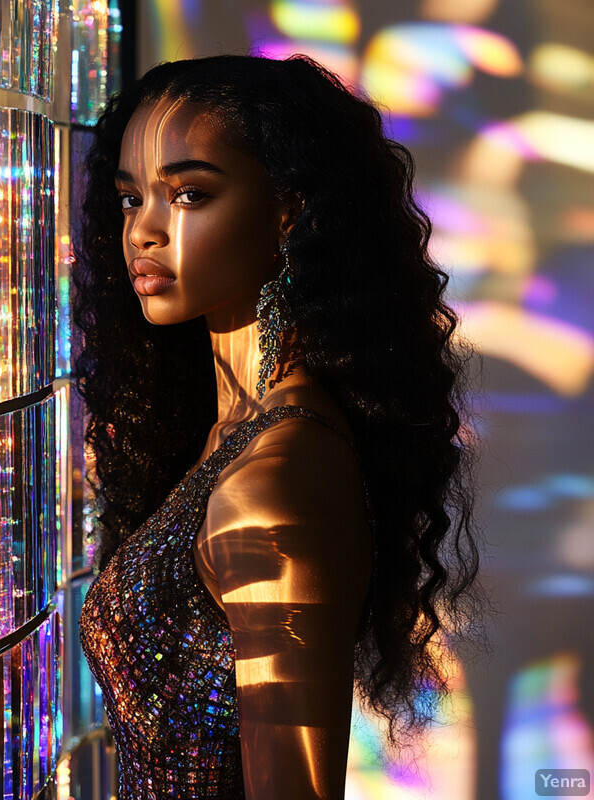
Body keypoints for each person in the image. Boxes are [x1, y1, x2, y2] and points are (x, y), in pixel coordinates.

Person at [73, 53, 486, 800]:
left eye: (189, 194)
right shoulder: (232, 434)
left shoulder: (274, 481)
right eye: (131, 199)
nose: (143, 231)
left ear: (288, 211)